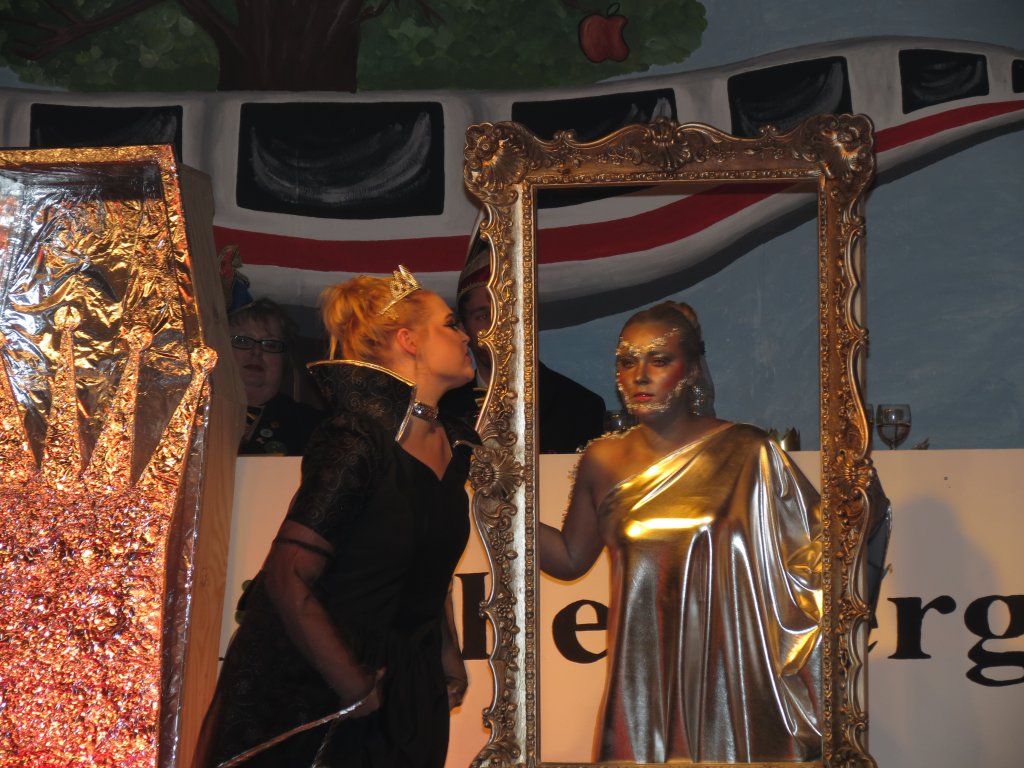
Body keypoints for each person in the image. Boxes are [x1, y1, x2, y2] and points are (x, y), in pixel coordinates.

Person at [194, 266, 478, 767]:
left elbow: (422, 564)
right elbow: (287, 575)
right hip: (322, 683)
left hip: (407, 685)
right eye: (451, 324)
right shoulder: (355, 439)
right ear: (409, 340)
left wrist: (445, 650)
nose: (467, 336)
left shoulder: (452, 447)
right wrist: (352, 682)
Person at [538, 301, 822, 763]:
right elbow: (570, 558)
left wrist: (856, 519)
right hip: (640, 683)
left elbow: (809, 559)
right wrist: (504, 509)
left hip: (730, 681)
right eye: (627, 361)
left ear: (690, 369)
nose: (640, 376)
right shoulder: (602, 459)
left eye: (659, 360)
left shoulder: (748, 451)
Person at [440, 232, 606, 453]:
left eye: (507, 312)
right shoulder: (442, 409)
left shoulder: (580, 406)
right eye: (483, 315)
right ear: (463, 328)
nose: (498, 326)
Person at [230, 298, 324, 456]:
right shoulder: (192, 415)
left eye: (270, 345)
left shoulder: (313, 428)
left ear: (284, 360)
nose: (256, 352)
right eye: (243, 341)